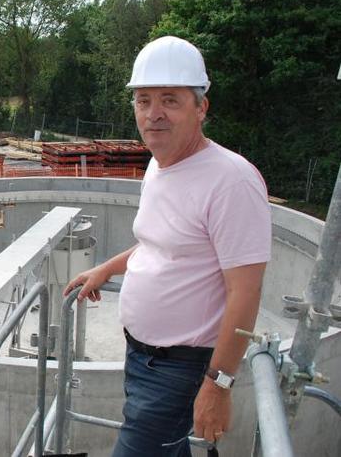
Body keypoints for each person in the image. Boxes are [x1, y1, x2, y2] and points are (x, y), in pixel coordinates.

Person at [64, 36, 271, 456]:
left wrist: (219, 385)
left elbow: (245, 291)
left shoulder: (231, 181)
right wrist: (106, 268)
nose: (153, 114)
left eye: (170, 100)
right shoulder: (159, 166)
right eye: (143, 100)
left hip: (180, 367)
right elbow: (159, 246)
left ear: (201, 108)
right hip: (141, 355)